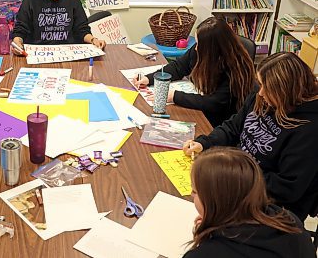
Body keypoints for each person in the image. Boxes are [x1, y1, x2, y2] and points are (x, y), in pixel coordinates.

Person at [184, 52, 318, 221]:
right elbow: (233, 127)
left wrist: (235, 177)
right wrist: (204, 143)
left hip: (268, 205)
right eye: (260, 84)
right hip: (238, 179)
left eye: (267, 88)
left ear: (285, 92)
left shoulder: (309, 129)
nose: (260, 93)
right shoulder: (264, 98)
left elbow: (286, 188)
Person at [184, 148, 315, 258]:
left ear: (215, 202)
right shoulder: (290, 221)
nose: (191, 194)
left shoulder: (204, 254)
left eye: (195, 191)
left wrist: (205, 238)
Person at [134, 17, 256, 127]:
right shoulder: (202, 49)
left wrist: (175, 96)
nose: (196, 48)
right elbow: (179, 67)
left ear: (212, 48)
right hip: (200, 101)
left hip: (218, 120)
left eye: (199, 44)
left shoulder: (233, 67)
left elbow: (214, 103)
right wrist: (149, 78)